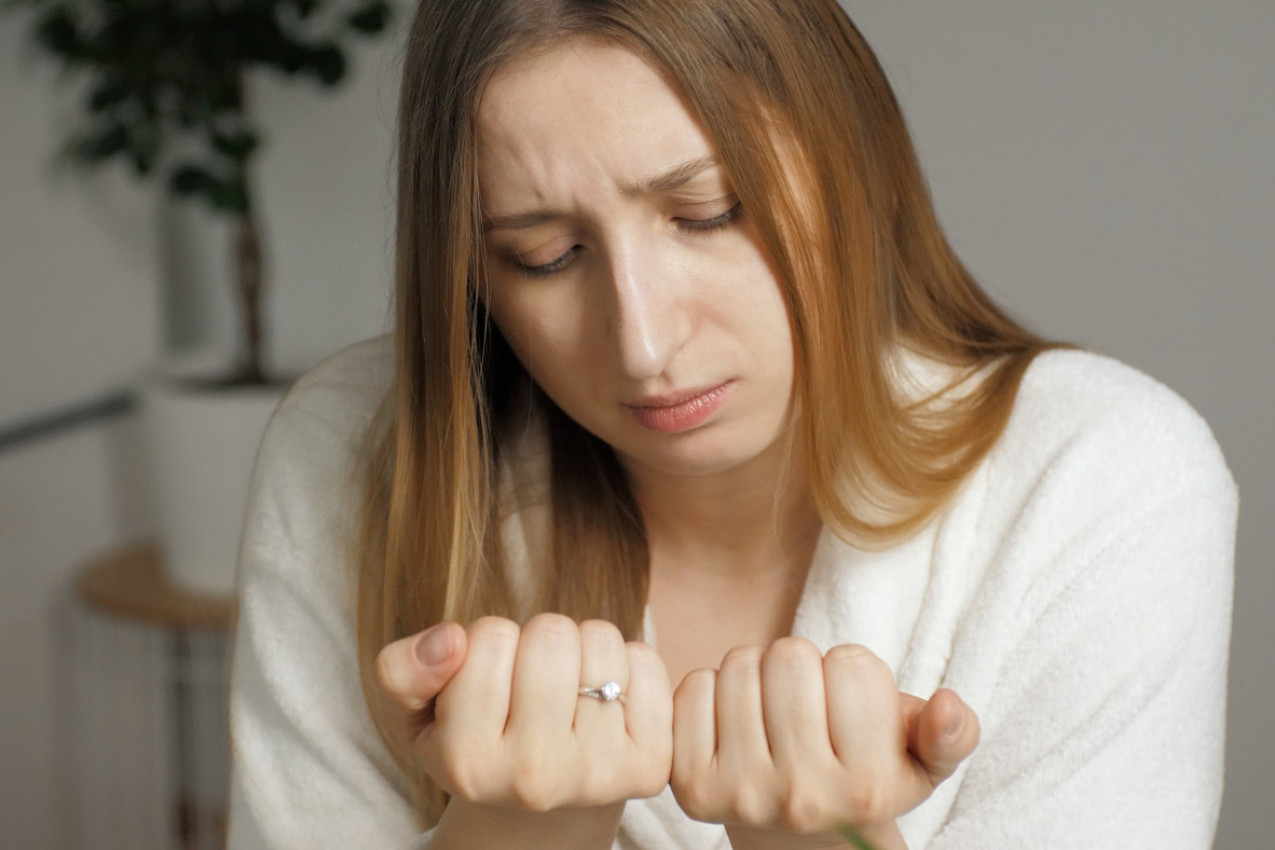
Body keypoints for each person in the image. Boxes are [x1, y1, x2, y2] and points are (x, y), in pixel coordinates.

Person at [226, 1, 1237, 848]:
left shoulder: (1104, 478)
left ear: (853, 159)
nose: (644, 342)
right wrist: (506, 836)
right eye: (543, 255)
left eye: (708, 212)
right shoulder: (352, 458)